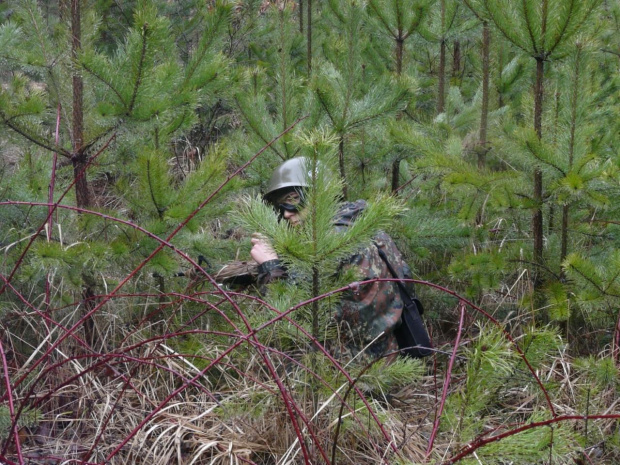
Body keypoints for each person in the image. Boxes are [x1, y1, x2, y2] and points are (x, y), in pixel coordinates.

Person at [250, 157, 415, 361]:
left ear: (320, 196)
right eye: (281, 206)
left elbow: (286, 316)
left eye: (293, 200)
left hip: (345, 370)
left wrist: (269, 266)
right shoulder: (363, 225)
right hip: (386, 357)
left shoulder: (327, 244)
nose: (285, 213)